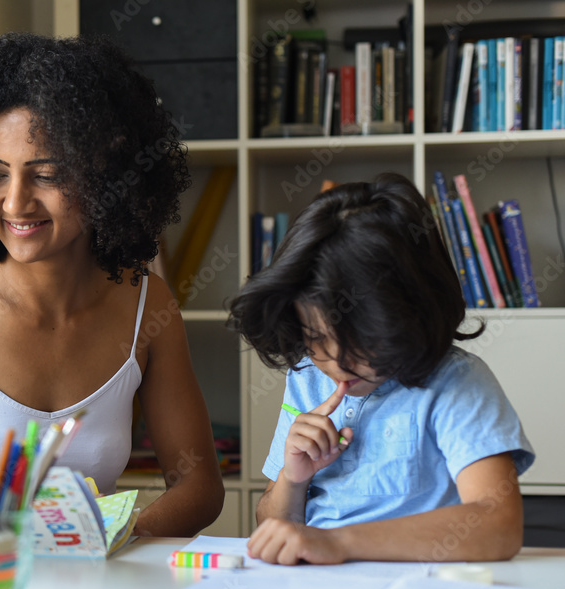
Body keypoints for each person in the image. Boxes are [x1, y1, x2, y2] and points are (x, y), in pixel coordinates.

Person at [0, 32, 224, 538]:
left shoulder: (147, 304)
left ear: (106, 173)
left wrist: (105, 538)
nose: (14, 203)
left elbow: (199, 486)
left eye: (46, 175)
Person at [228, 172, 535, 565]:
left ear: (409, 314)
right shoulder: (307, 376)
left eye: (360, 338)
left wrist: (339, 543)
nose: (336, 363)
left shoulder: (457, 382)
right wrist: (293, 477)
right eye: (315, 336)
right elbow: (271, 522)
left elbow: (499, 526)